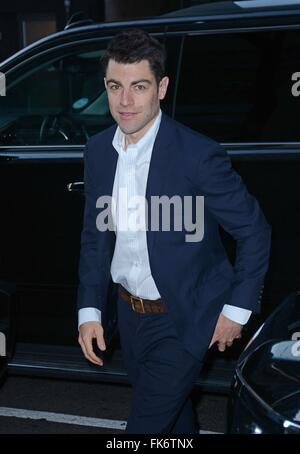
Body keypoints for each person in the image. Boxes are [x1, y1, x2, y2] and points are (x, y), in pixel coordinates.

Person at [77, 28, 271, 434]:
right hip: (130, 316)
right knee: (174, 418)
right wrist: (90, 310)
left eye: (139, 87)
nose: (125, 101)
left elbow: (254, 230)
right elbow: (97, 237)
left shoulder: (196, 155)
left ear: (161, 88)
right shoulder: (98, 151)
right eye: (115, 87)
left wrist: (236, 310)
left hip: (184, 318)